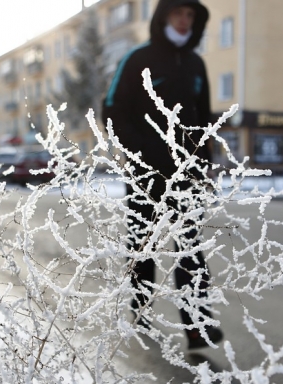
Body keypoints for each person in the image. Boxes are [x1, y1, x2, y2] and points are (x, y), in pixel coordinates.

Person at [102, 0, 222, 349]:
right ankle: (140, 310)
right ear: (163, 16)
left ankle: (197, 325)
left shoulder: (197, 65)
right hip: (146, 174)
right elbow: (112, 108)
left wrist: (204, 163)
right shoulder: (139, 59)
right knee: (144, 245)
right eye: (178, 13)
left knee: (190, 249)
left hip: (188, 175)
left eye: (190, 16)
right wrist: (140, 154)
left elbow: (203, 119)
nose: (184, 21)